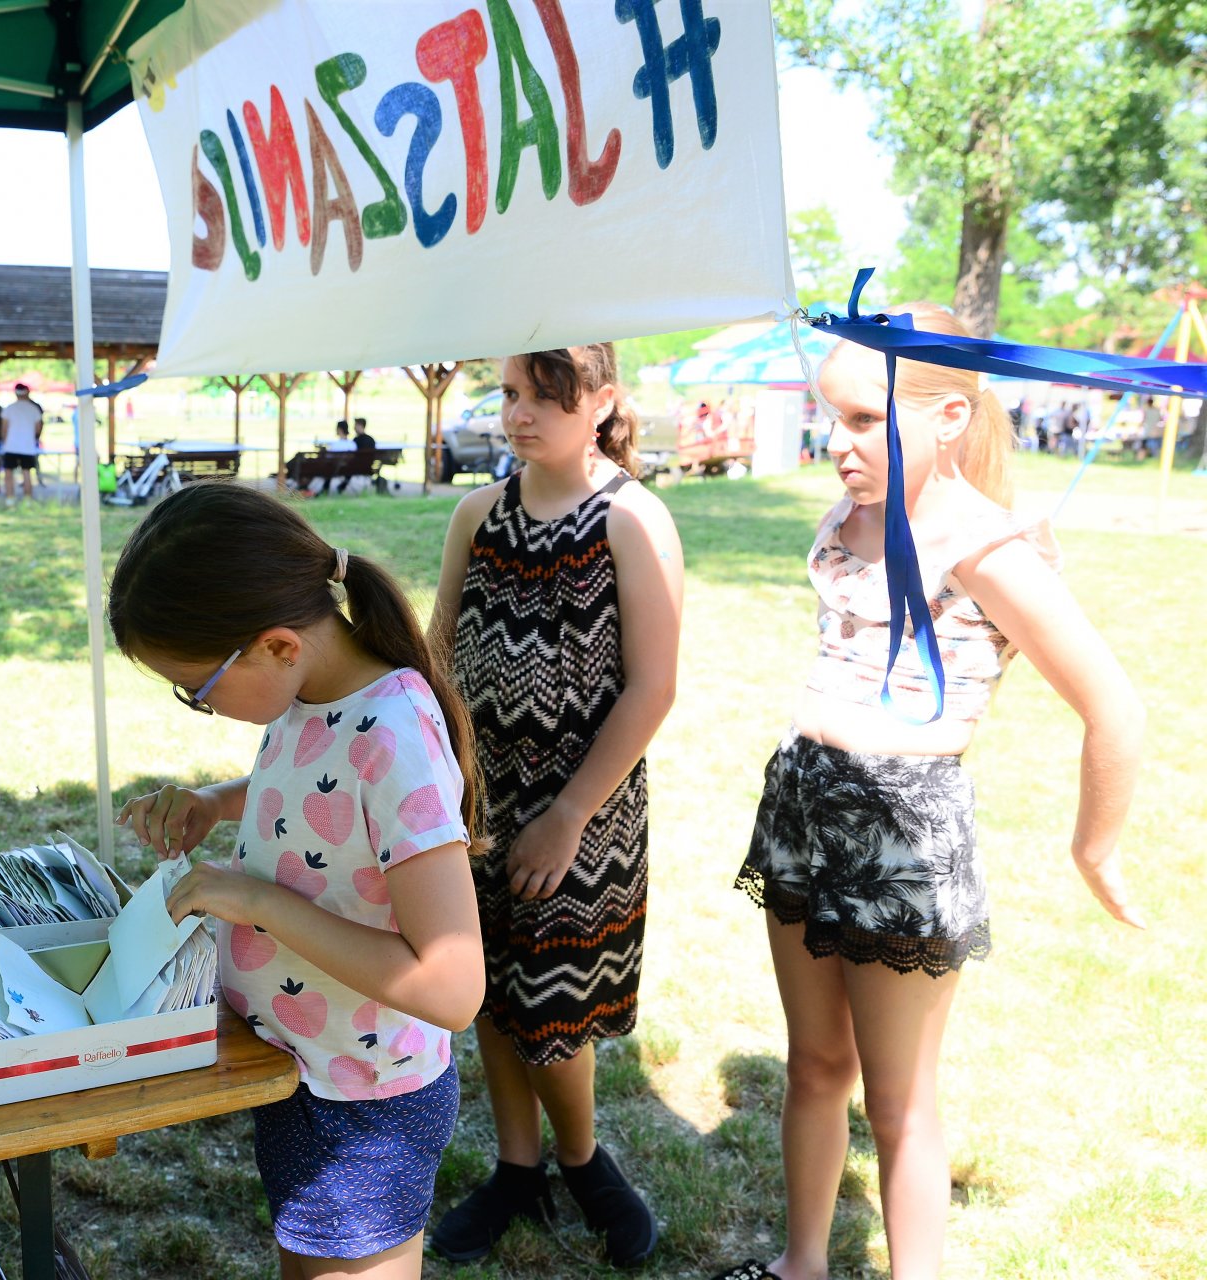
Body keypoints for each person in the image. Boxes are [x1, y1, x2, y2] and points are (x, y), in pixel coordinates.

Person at [709, 304, 1144, 1280]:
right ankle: (801, 1265)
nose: (836, 442)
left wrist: (1094, 846)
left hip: (902, 825)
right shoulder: (851, 517)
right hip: (804, 805)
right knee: (815, 1064)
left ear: (949, 419)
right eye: (832, 418)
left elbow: (1114, 704)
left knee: (900, 1100)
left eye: (866, 420)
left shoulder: (987, 546)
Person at [110, 482, 486, 1280]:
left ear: (278, 645)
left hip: (367, 1102)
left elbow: (452, 986)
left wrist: (256, 903)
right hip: (310, 1068)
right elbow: (323, 780)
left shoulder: (393, 732)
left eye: (198, 690)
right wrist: (217, 802)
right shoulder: (314, 694)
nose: (199, 707)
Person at [426, 344, 682, 1268]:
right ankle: (516, 1165)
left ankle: (584, 1161)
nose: (521, 413)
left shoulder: (631, 518)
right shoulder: (476, 514)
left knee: (555, 1001)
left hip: (584, 801)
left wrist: (570, 812)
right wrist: (444, 779)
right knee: (487, 983)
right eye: (508, 394)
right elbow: (439, 657)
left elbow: (652, 689)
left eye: (546, 395)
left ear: (602, 399)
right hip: (478, 796)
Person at [0, 382, 43, 503]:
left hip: (11, 446)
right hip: (28, 447)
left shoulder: (9, 408)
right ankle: (27, 501)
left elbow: (4, 429)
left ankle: (10, 499)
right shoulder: (34, 409)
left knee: (8, 473)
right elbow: (38, 428)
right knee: (27, 473)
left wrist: (4, 441)